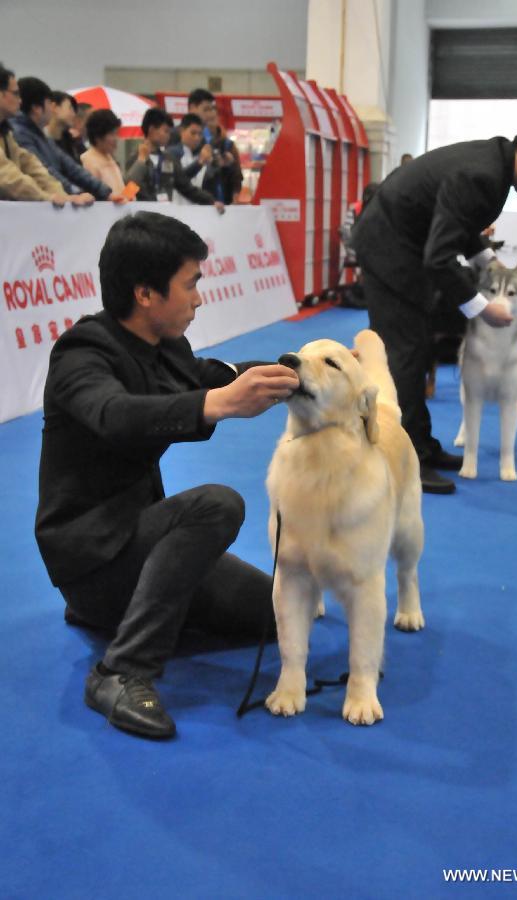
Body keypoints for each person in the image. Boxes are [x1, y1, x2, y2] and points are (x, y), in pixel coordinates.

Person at [34, 211, 299, 739]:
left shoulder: (165, 343)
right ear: (146, 293)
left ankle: (118, 615)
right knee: (217, 504)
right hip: (92, 560)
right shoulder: (80, 354)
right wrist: (216, 405)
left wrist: (299, 371)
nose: (199, 297)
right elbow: (114, 415)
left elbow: (211, 377)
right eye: (191, 283)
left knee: (282, 614)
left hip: (140, 545)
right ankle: (120, 671)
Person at [352, 117, 517, 495]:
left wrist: (488, 264)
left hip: (403, 244)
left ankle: (420, 445)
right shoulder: (484, 175)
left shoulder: (493, 164)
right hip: (388, 247)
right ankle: (403, 460)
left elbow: (459, 225)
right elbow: (439, 258)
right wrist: (482, 309)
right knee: (404, 353)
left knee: (419, 346)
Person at [11, 77, 123, 204]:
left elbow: (71, 167)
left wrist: (106, 192)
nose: (51, 108)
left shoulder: (40, 135)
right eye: (49, 103)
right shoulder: (20, 134)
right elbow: (44, 172)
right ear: (37, 108)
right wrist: (74, 193)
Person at [125, 107, 224, 211]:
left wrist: (211, 201)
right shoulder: (136, 159)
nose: (169, 135)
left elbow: (187, 188)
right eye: (166, 131)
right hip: (144, 215)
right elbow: (129, 189)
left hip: (165, 215)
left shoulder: (168, 158)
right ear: (152, 130)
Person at [0, 65, 70, 203]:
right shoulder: (15, 132)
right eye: (15, 94)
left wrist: (61, 195)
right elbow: (8, 177)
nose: (20, 100)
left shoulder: (6, 132)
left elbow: (30, 164)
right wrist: (46, 197)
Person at [200, 105, 243, 205]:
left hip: (224, 197)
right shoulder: (197, 142)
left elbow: (237, 173)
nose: (210, 120)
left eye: (213, 117)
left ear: (218, 118)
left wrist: (235, 195)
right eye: (207, 118)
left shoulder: (228, 144)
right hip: (201, 197)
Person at [81, 108, 126, 195]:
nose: (116, 139)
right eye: (112, 134)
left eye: (117, 133)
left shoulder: (109, 157)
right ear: (97, 137)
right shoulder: (88, 160)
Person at [168, 112, 213, 198]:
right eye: (193, 133)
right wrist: (199, 163)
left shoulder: (201, 154)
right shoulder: (172, 153)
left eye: (200, 134)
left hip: (199, 206)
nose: (197, 138)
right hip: (177, 207)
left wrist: (219, 164)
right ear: (182, 131)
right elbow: (179, 180)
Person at [46, 91, 80, 162]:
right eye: (70, 108)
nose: (73, 114)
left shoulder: (70, 140)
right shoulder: (40, 140)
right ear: (54, 107)